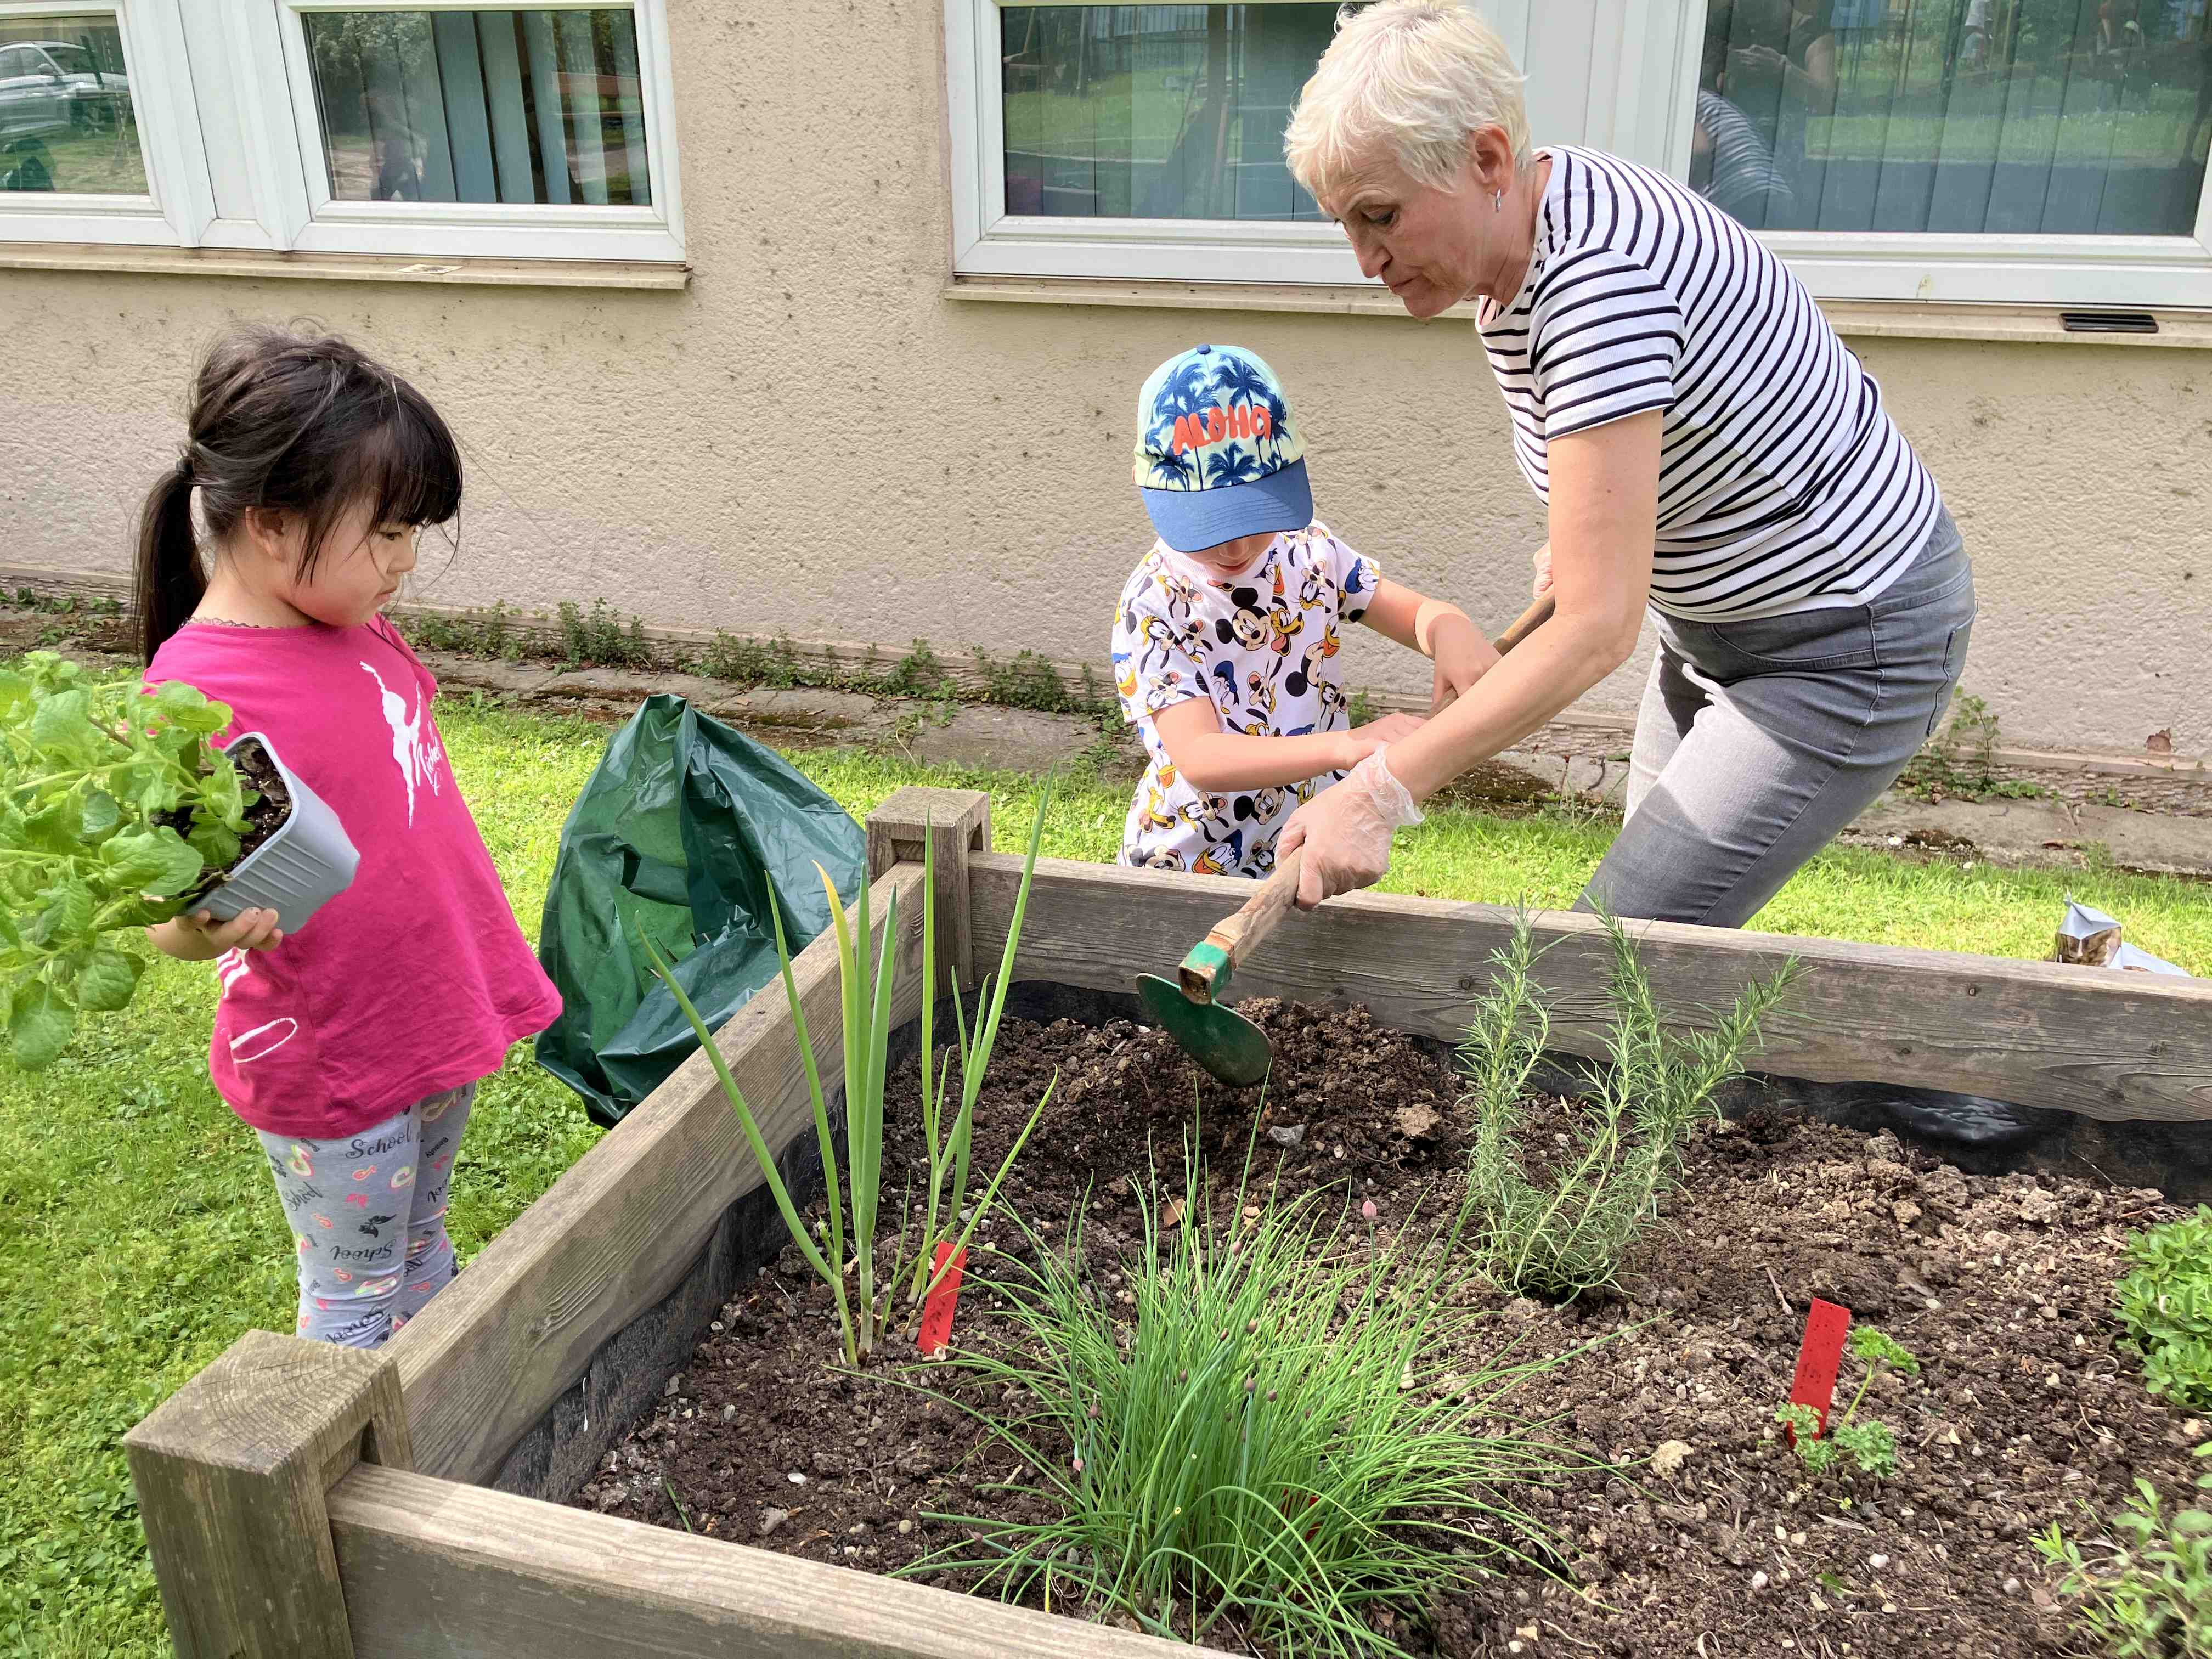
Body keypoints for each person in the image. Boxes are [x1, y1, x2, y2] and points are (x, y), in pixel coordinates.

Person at [1277, 0, 1976, 926]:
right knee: (1645, 961)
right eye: (1345, 224)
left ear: (1487, 158)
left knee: (1612, 957)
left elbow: (1599, 628)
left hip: (1843, 642)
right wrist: (1578, 551)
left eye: (1381, 216)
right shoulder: (1516, 250)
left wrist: (1379, 790)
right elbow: (1646, 464)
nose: (1367, 259)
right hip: (1711, 626)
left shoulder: (1597, 282)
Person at [136, 325, 561, 1348]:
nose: (406, 561)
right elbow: (165, 914)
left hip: (431, 1009)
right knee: (356, 1298)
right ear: (274, 524)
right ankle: (354, 1450)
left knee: (422, 1245)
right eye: (388, 533)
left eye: (415, 531)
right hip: (336, 1053)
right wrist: (204, 927)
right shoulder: (194, 696)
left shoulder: (352, 625)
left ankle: (446, 1419)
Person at [1112, 342, 1491, 877]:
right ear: (1149, 486)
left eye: (1254, 516)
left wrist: (1448, 626)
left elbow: (1417, 614)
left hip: (1308, 845)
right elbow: (1201, 757)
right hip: (1187, 864)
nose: (1236, 547)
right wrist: (1345, 746)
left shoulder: (1310, 552)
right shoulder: (1154, 601)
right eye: (1208, 525)